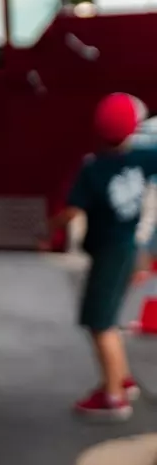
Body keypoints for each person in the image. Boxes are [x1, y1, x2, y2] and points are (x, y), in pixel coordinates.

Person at [42, 92, 155, 421]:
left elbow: (73, 209)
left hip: (107, 252)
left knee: (99, 321)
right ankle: (121, 379)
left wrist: (49, 226)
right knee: (110, 318)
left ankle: (113, 396)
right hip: (128, 248)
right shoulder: (143, 158)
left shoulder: (93, 169)